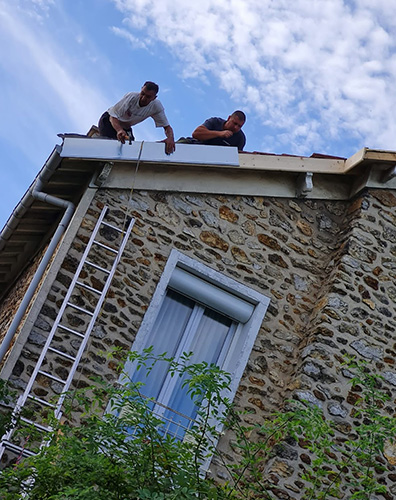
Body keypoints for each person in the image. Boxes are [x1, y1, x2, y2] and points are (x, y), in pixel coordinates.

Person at [98, 81, 176, 155]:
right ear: (141, 89)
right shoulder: (131, 97)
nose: (143, 98)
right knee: (109, 145)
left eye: (148, 97)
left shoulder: (156, 106)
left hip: (126, 128)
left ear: (154, 98)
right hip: (109, 121)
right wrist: (119, 130)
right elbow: (113, 116)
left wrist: (170, 138)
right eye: (142, 94)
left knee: (130, 149)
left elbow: (167, 127)